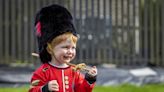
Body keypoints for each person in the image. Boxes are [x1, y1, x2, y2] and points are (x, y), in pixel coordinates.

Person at [29, 4, 97, 92]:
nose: (70, 51)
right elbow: (32, 90)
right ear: (50, 49)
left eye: (73, 48)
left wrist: (89, 79)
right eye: (65, 47)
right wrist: (45, 89)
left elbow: (82, 90)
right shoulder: (43, 72)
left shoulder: (74, 72)